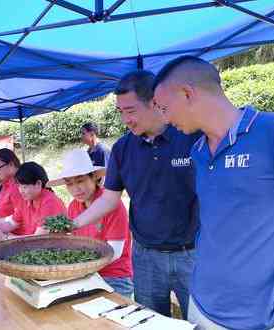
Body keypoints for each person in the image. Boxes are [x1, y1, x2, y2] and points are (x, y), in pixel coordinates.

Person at [153, 55, 274, 330]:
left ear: (187, 93)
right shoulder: (197, 151)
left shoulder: (271, 132)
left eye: (164, 108)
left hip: (259, 316)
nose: (163, 119)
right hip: (201, 303)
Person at [72, 70, 200, 319]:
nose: (125, 120)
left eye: (130, 111)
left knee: (199, 322)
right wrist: (72, 224)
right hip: (146, 256)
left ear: (154, 102)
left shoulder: (188, 135)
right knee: (150, 321)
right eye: (120, 112)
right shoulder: (122, 148)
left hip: (192, 254)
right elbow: (109, 199)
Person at [47, 148, 133, 297]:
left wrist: (78, 266)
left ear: (94, 177)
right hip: (84, 274)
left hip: (114, 277)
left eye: (80, 180)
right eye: (69, 184)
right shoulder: (74, 206)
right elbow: (72, 243)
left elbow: (115, 253)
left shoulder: (112, 204)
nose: (76, 189)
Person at [0, 161, 66, 242]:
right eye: (19, 186)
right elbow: (12, 223)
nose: (21, 191)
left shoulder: (50, 202)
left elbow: (39, 239)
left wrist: (5, 238)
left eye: (24, 187)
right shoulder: (27, 199)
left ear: (38, 183)